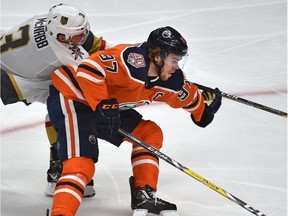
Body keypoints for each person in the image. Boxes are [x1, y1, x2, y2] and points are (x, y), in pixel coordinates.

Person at [47, 26, 222, 216]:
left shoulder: (169, 79)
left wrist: (203, 111)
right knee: (81, 166)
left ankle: (143, 194)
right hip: (73, 97)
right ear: (157, 56)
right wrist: (102, 104)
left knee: (149, 134)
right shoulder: (130, 61)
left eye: (178, 61)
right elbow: (88, 70)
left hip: (106, 107)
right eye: (174, 60)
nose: (176, 67)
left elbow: (187, 96)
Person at [0, 3, 111, 198]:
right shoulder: (59, 52)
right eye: (77, 36)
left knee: (62, 103)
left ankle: (60, 163)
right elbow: (95, 75)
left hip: (15, 58)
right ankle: (61, 166)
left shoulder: (54, 23)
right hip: (14, 78)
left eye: (83, 31)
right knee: (67, 104)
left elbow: (94, 45)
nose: (82, 37)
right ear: (60, 36)